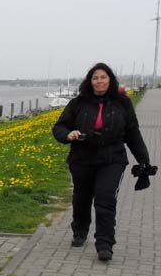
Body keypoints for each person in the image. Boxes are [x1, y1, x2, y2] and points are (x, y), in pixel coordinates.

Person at [52, 62, 153, 261]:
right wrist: (68, 134)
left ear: (110, 80)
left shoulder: (122, 103)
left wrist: (144, 161)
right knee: (81, 198)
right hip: (82, 158)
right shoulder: (78, 103)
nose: (99, 81)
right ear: (90, 81)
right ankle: (80, 231)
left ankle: (105, 244)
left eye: (103, 77)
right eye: (95, 78)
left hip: (112, 158)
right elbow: (59, 127)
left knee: (105, 199)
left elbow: (133, 134)